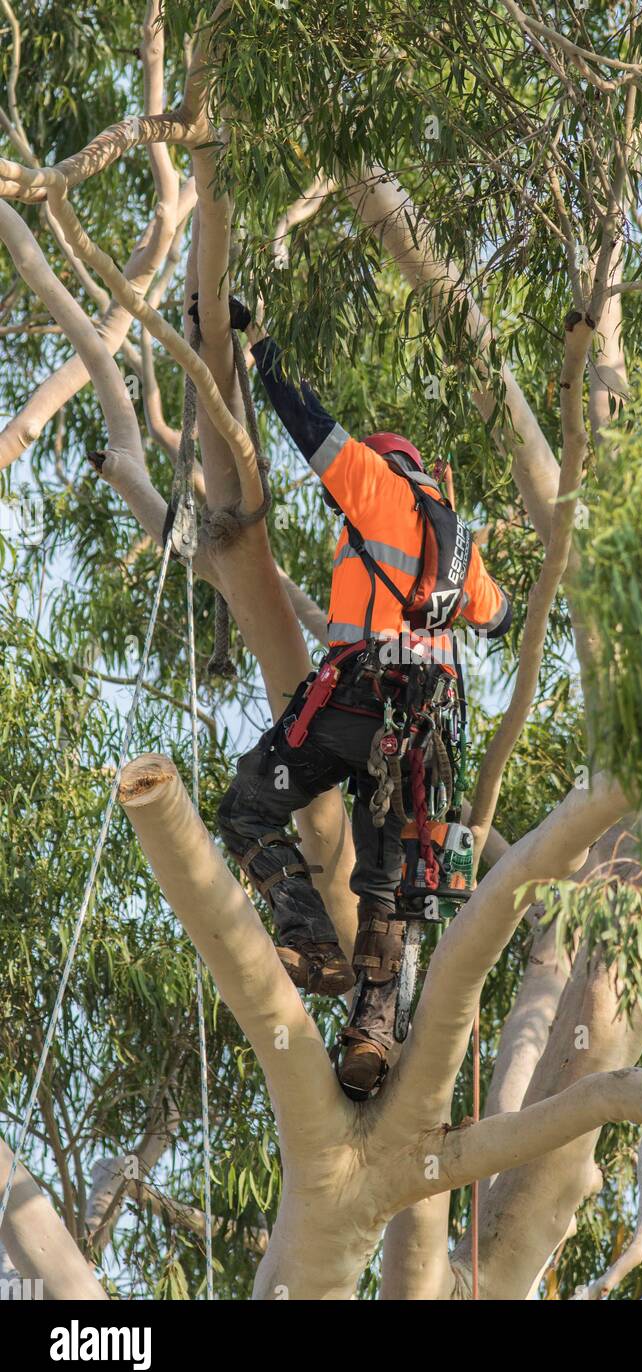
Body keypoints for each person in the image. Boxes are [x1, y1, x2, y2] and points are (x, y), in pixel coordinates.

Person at [192, 295, 512, 1098]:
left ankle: (308, 936)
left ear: (386, 464)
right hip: (424, 735)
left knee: (245, 809)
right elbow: (502, 618)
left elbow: (309, 423)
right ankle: (371, 1035)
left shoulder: (377, 488)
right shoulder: (460, 546)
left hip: (357, 703)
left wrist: (258, 338)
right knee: (386, 891)